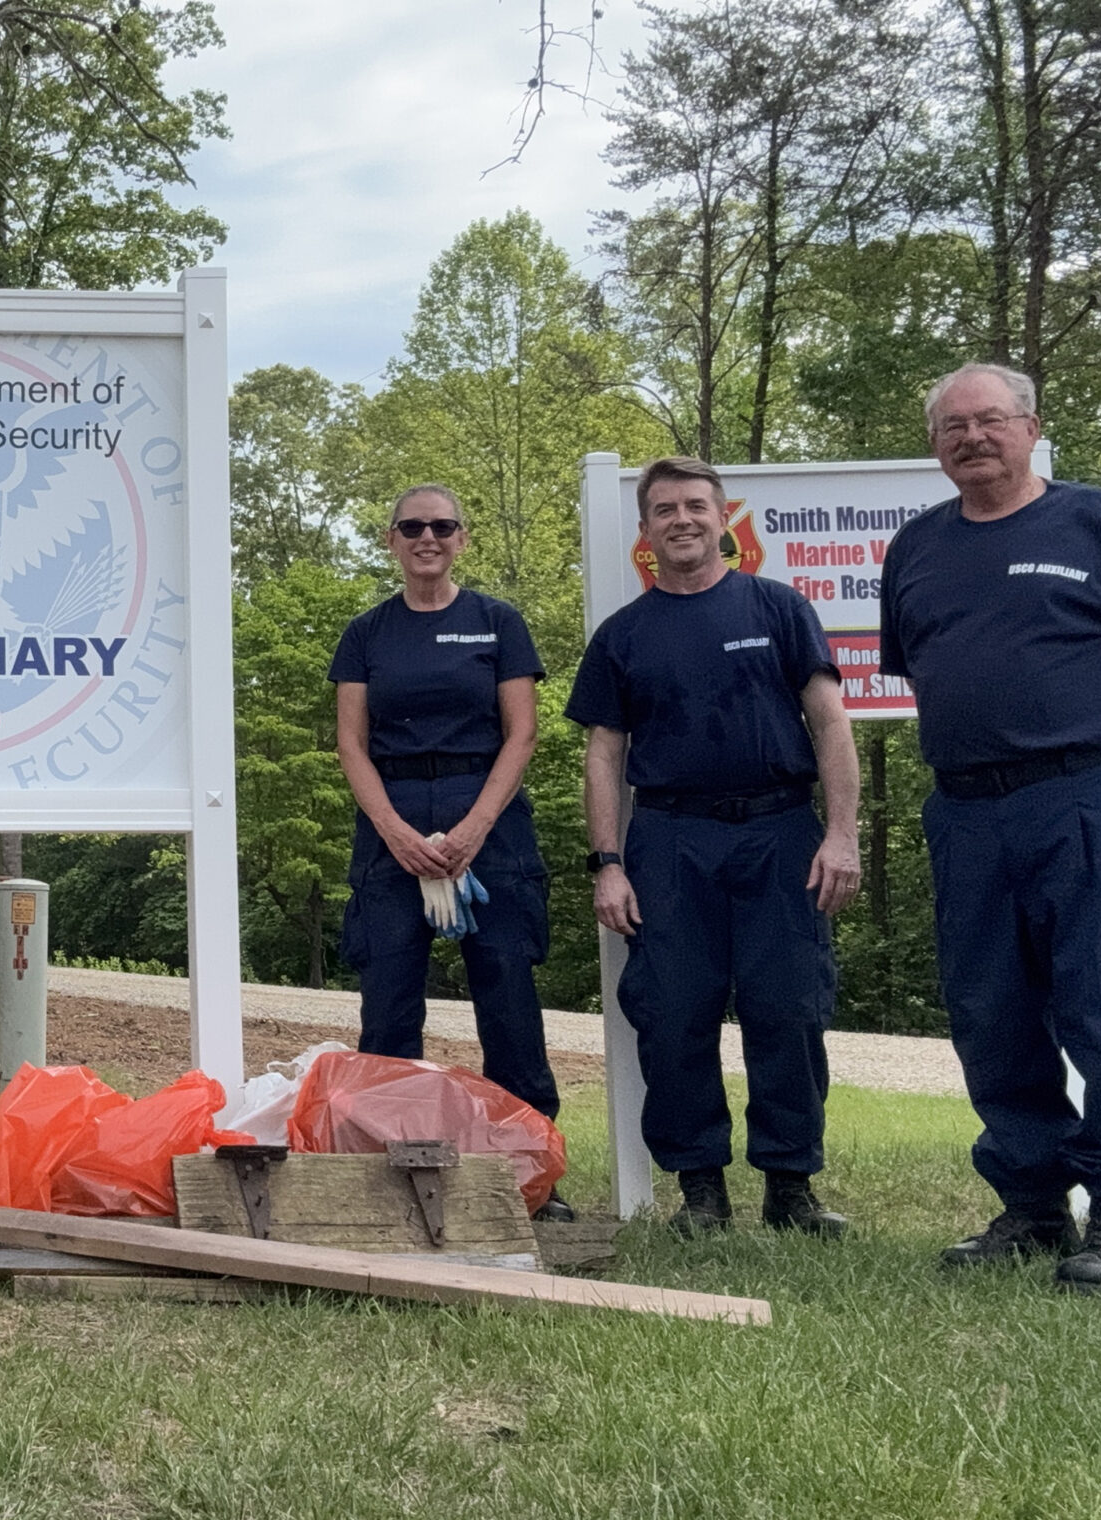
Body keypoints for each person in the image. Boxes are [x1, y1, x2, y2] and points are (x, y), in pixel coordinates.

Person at [880, 362, 1101, 1295]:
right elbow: (922, 668)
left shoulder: (1097, 519)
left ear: (1030, 430)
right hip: (966, 811)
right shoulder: (915, 549)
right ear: (936, 446)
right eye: (952, 426)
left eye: (990, 420)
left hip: (1087, 800)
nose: (971, 437)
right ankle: (1030, 1205)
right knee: (991, 1010)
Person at [566, 455, 863, 1238]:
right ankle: (701, 1192)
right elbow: (603, 756)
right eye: (664, 509)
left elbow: (831, 723)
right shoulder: (622, 636)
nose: (682, 520)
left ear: (724, 517)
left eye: (696, 505)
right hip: (667, 839)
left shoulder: (779, 607)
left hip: (781, 833)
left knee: (789, 1007)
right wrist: (609, 861)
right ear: (645, 530)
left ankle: (790, 1187)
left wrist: (841, 835)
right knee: (671, 1011)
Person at [332, 484, 562, 1147]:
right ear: (391, 541)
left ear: (463, 537)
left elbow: (522, 734)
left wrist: (475, 829)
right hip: (392, 823)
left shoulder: (498, 622)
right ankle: (388, 1150)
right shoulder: (366, 633)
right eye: (411, 527)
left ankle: (525, 1159)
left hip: (487, 820)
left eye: (441, 526)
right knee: (389, 1000)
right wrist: (395, 834)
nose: (426, 538)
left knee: (508, 994)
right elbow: (351, 742)